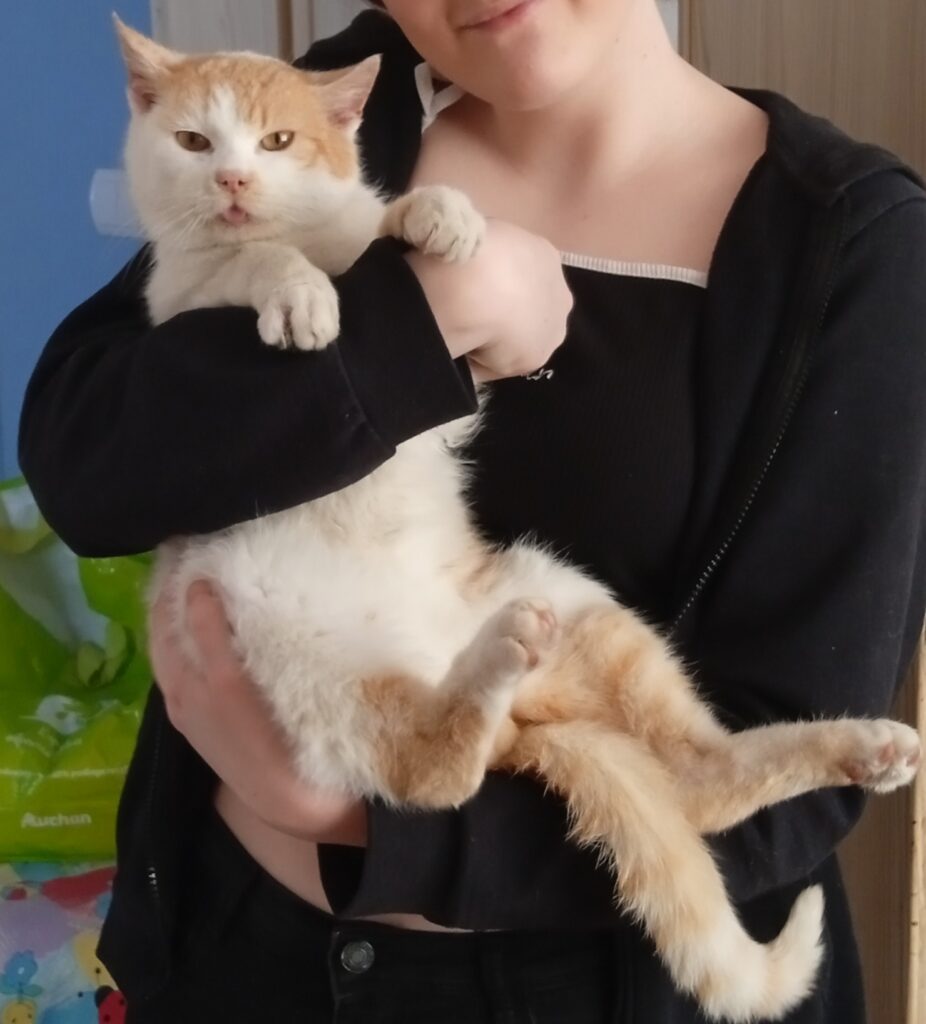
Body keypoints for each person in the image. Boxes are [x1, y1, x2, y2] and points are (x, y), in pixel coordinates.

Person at [18, 1, 926, 1021]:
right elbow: (84, 460)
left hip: (599, 990)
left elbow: (794, 762)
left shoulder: (849, 238)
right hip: (241, 961)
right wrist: (424, 320)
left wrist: (340, 816)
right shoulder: (342, 99)